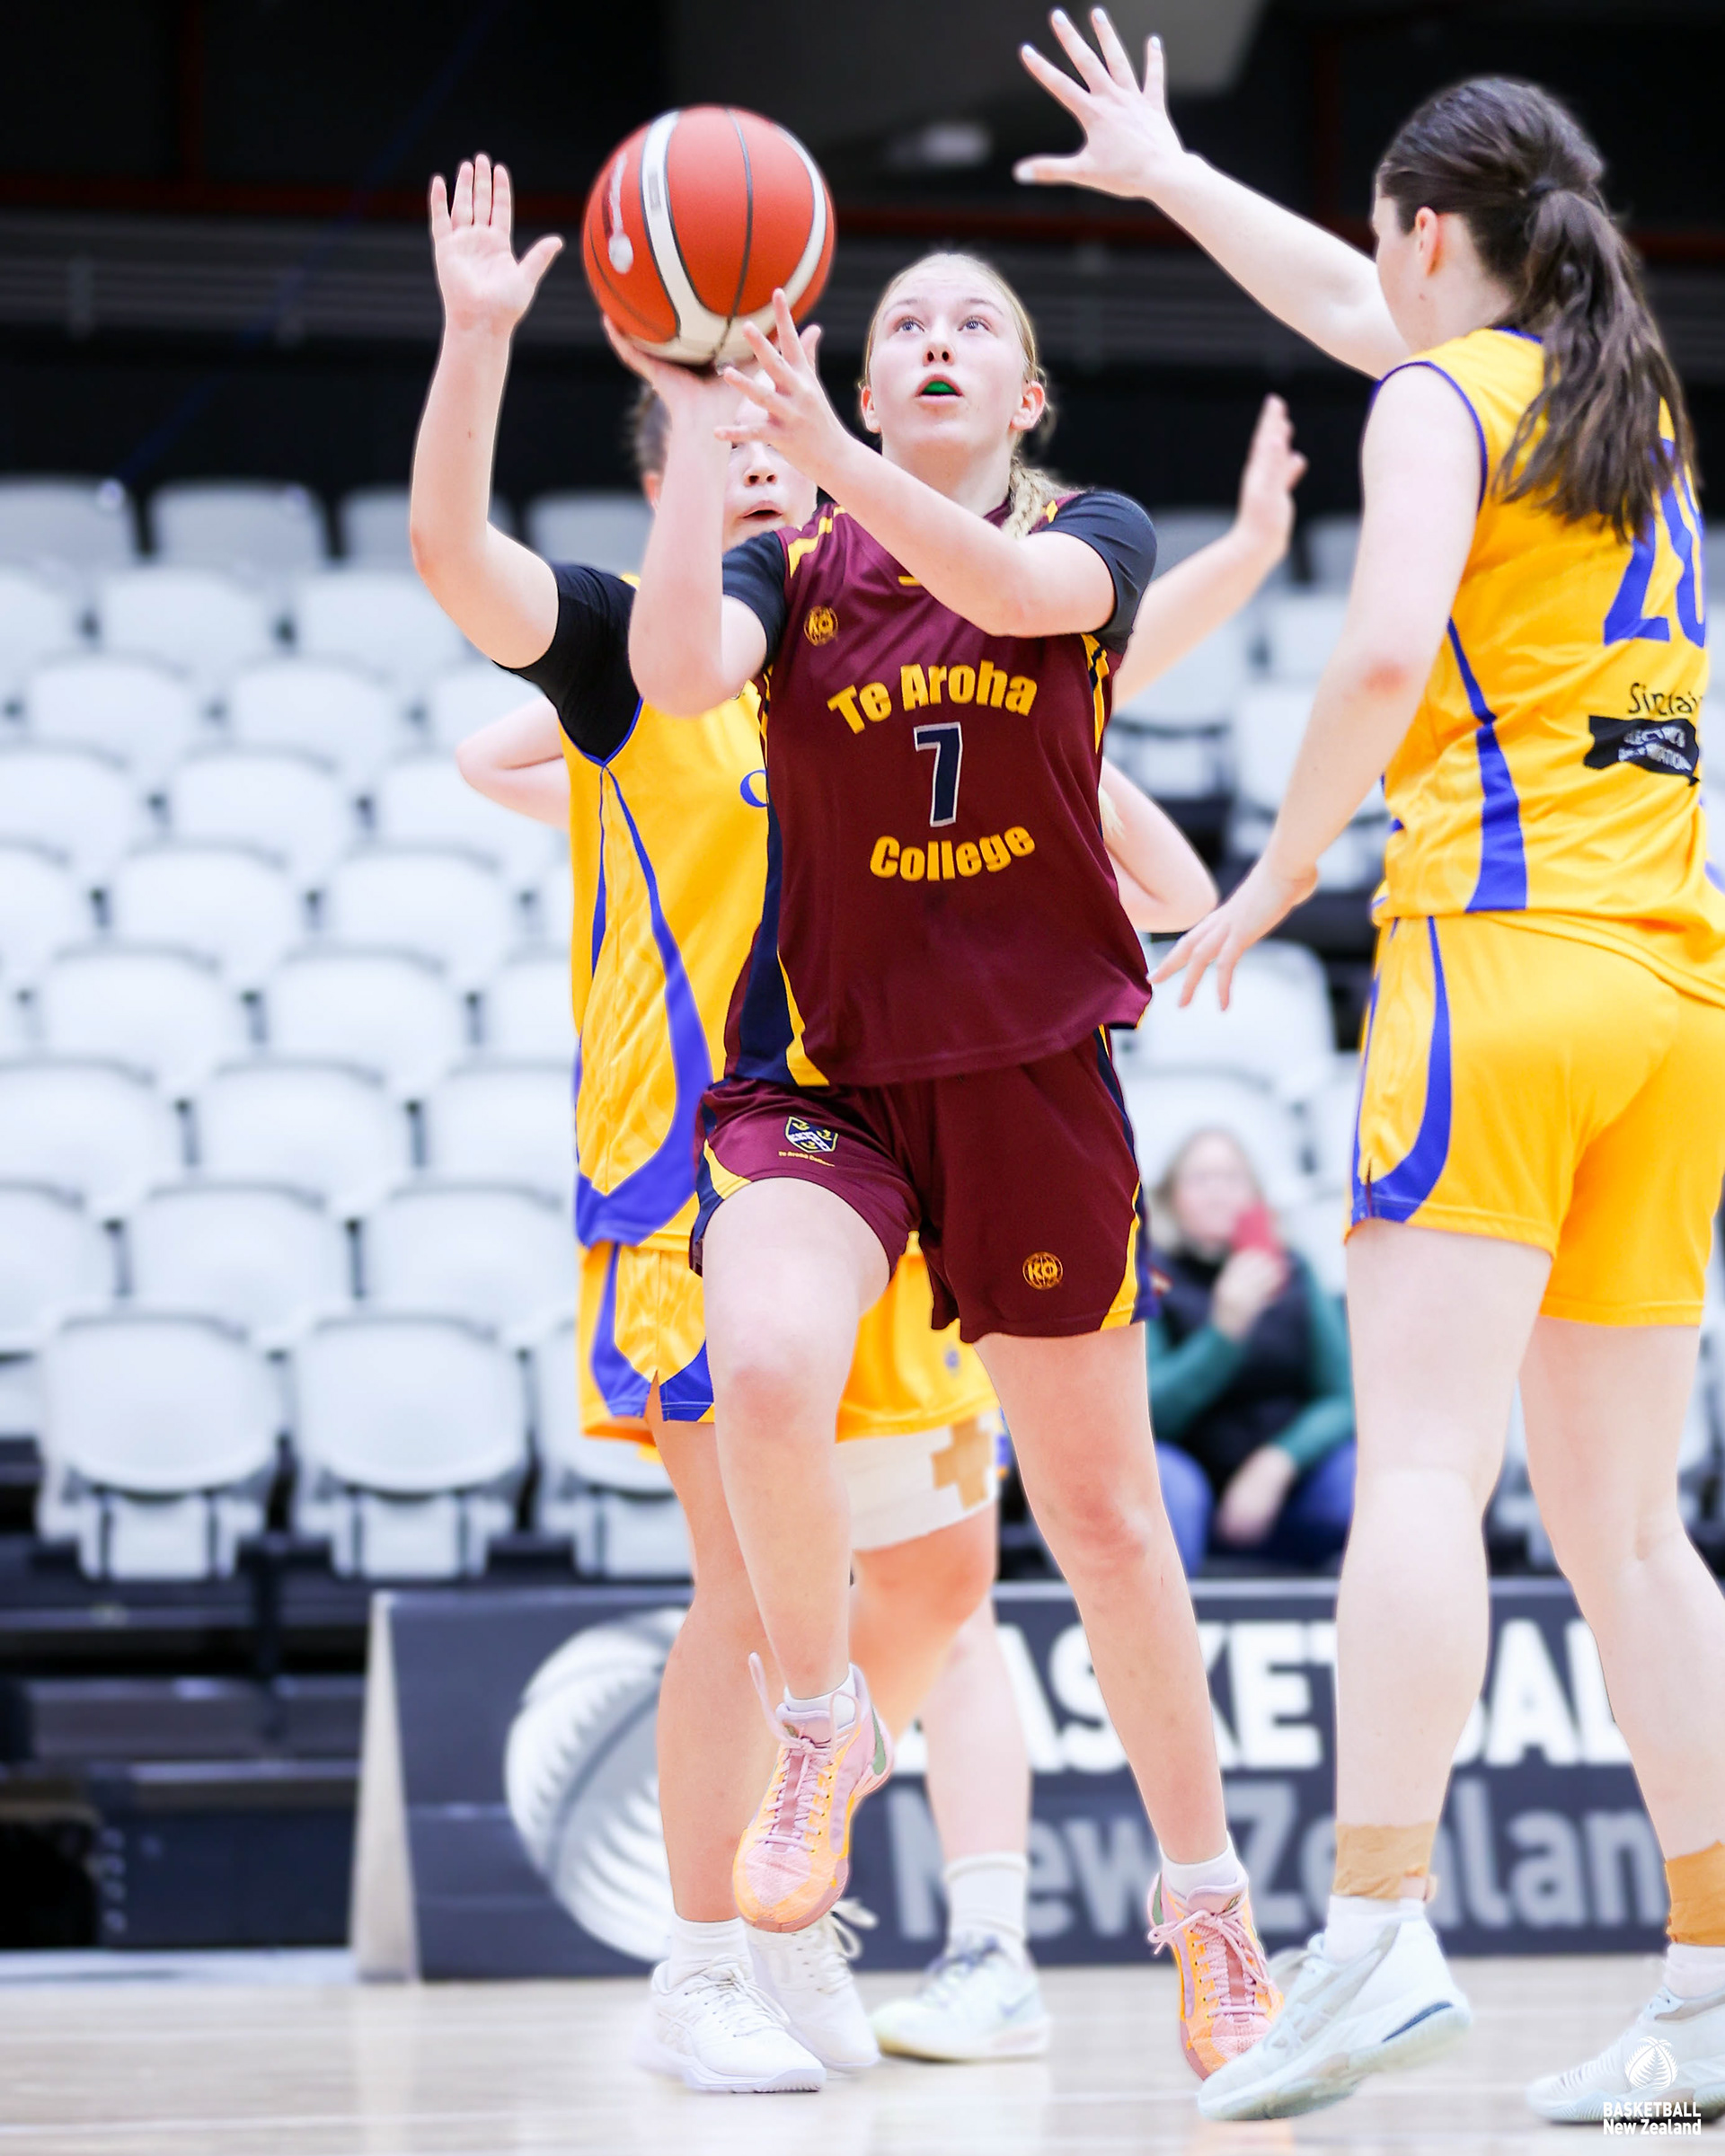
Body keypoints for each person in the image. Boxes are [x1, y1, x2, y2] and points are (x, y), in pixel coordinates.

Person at [411, 155, 1304, 2086]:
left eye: (978, 320)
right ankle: (787, 1798)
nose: (937, 337)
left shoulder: (1079, 542)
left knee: (1044, 1547)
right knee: (761, 1447)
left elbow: (1044, 617)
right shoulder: (771, 590)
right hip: (794, 1099)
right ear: (855, 379)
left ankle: (1203, 1909)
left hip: (1020, 1084)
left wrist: (1216, 693)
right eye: (905, 319)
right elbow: (618, 668)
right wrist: (608, 391)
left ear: (1028, 398)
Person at [1019, 14, 1725, 2127]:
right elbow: (1367, 311)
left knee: (1421, 1472)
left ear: (1431, 232)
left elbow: (1385, 642)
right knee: (1631, 1529)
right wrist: (1173, 174)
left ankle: (1377, 1926)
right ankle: (1710, 1992)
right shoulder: (1623, 392)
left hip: (1494, 965)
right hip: (1670, 993)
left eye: (1385, 240)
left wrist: (1276, 866)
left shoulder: (1442, 398)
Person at [1147, 1128, 1355, 1575]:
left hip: (1289, 1487)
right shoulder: (1153, 1281)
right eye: (1200, 1179)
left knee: (1363, 1475)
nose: (1218, 1192)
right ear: (1171, 1198)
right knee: (1164, 1482)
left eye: (1232, 1178)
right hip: (1192, 1479)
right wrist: (1223, 1336)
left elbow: (1344, 1398)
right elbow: (1147, 1413)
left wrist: (1277, 1462)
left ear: (1255, 1196)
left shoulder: (1293, 1271)